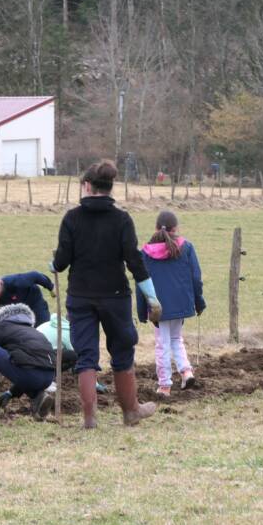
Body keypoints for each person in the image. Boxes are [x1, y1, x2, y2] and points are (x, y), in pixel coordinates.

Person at [51, 159, 159, 429]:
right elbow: (134, 261)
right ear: (111, 187)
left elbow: (62, 261)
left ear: (87, 186)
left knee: (86, 356)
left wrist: (53, 264)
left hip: (80, 296)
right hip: (115, 295)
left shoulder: (72, 218)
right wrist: (152, 296)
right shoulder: (122, 219)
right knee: (122, 353)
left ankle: (89, 418)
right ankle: (131, 411)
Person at [135, 211, 206, 397]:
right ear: (176, 228)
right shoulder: (187, 248)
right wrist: (199, 303)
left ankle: (165, 384)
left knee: (162, 343)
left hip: (157, 307)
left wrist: (143, 311)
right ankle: (186, 371)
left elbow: (140, 283)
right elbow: (196, 278)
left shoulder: (145, 253)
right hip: (181, 304)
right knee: (175, 339)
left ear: (156, 228)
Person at [0, 304, 57, 420]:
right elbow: (24, 363)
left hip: (31, 375)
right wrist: (11, 392)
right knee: (22, 364)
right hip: (49, 376)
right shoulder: (28, 329)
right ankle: (38, 397)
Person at [0, 271, 54, 338]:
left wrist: (51, 287)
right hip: (17, 310)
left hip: (33, 301)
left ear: (0, 284)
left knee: (42, 330)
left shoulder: (15, 282)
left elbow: (36, 275)